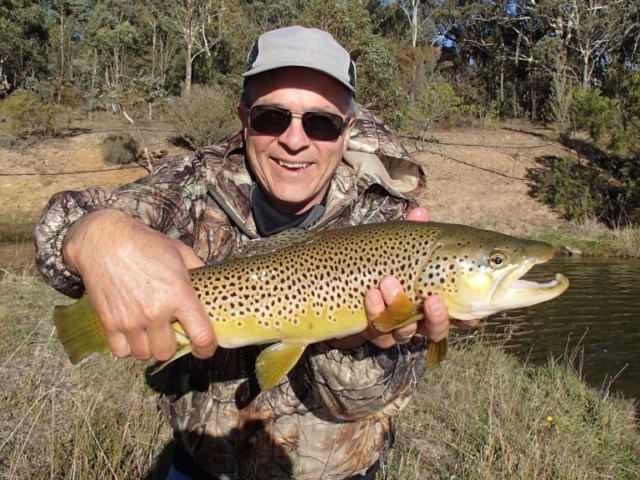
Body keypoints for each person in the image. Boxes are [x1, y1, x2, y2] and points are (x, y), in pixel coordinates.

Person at [35, 26, 477, 479]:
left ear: (348, 131)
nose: (295, 140)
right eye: (272, 117)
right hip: (199, 467)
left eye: (320, 123)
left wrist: (357, 341)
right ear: (244, 117)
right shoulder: (192, 182)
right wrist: (95, 234)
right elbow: (65, 220)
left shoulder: (393, 224)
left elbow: (367, 402)